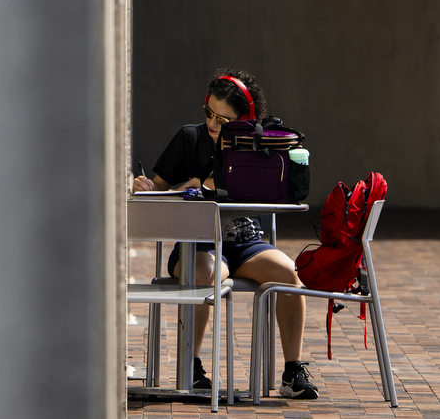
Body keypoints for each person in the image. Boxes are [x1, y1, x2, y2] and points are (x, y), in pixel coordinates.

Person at [132, 70, 319, 400]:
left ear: (244, 119)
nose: (213, 123)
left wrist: (211, 186)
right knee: (204, 273)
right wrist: (146, 186)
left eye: (224, 118)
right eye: (209, 112)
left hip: (245, 241)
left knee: (290, 274)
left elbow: (278, 195)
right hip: (198, 242)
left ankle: (293, 371)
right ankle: (190, 366)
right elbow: (155, 192)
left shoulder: (256, 146)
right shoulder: (190, 138)